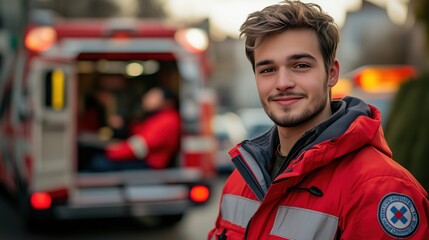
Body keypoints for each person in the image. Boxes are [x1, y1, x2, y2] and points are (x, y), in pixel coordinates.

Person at [208, 1, 429, 239]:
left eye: (300, 65)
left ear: (332, 73)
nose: (282, 83)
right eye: (268, 70)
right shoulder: (239, 180)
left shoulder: (380, 189)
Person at [90, 86, 181, 171]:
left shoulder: (167, 120)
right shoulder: (156, 117)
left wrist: (112, 151)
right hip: (143, 160)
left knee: (98, 162)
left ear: (168, 102)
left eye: (153, 96)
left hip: (150, 165)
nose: (146, 98)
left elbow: (141, 146)